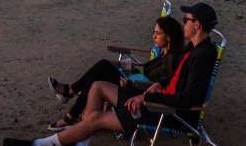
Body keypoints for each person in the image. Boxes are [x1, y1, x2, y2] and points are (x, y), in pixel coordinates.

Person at [3, 2, 218, 146]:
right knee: (97, 86)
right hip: (156, 100)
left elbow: (189, 99)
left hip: (165, 111)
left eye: (186, 19)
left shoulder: (203, 55)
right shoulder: (193, 48)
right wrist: (160, 84)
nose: (183, 23)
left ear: (197, 24)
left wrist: (146, 97)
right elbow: (174, 77)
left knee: (95, 118)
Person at [45, 15, 184, 131]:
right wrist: (132, 70)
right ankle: (71, 103)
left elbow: (162, 86)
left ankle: (70, 99)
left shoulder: (173, 59)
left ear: (169, 37)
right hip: (134, 81)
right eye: (154, 32)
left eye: (158, 34)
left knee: (102, 67)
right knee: (102, 68)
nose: (153, 36)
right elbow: (150, 73)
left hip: (138, 91)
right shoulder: (164, 52)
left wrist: (131, 82)